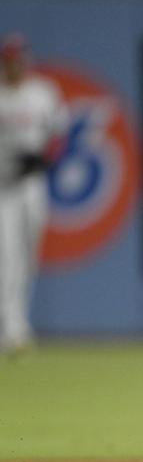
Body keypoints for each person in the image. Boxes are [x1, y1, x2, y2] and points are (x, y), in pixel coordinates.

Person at [0, 33, 68, 353]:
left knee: (28, 258)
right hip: (2, 186)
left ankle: (18, 322)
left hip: (31, 184)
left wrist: (44, 158)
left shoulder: (42, 93)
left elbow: (59, 134)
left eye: (20, 58)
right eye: (10, 59)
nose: (16, 64)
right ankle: (12, 329)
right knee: (7, 257)